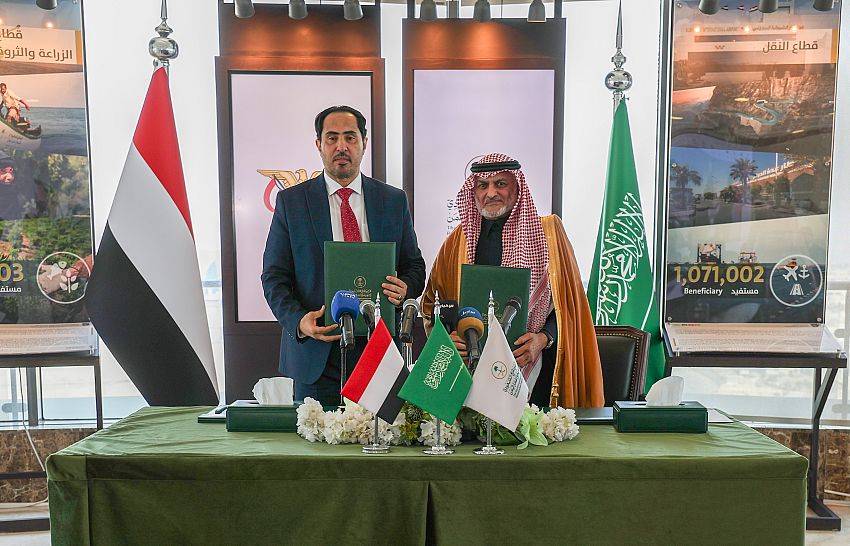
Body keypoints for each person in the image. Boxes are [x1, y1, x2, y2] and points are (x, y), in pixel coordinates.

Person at [262, 105, 426, 405]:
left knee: (381, 434)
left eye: (350, 137)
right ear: (319, 144)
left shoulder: (393, 200)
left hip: (380, 351)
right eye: (332, 138)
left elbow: (414, 267)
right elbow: (274, 277)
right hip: (317, 352)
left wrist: (405, 289)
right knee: (317, 435)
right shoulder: (292, 202)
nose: (341, 146)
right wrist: (299, 321)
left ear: (364, 143)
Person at [421, 153, 604, 408]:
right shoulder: (457, 242)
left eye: (500, 184)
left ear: (517, 188)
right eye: (483, 185)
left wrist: (543, 339)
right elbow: (434, 305)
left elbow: (569, 308)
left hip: (535, 367)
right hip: (468, 371)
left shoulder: (550, 234)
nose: (491, 193)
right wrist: (448, 338)